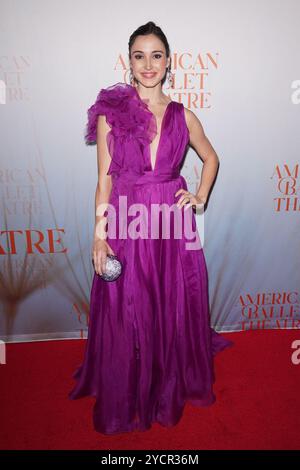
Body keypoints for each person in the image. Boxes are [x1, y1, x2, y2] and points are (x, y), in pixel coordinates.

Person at [69, 20, 233, 435]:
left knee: (171, 298)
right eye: (139, 55)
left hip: (172, 222)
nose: (148, 64)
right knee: (128, 305)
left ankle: (168, 377)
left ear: (168, 62)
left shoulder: (183, 115)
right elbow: (104, 179)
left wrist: (199, 196)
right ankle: (127, 384)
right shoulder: (112, 114)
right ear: (129, 61)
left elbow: (211, 158)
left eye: (156, 55)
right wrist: (99, 233)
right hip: (127, 219)